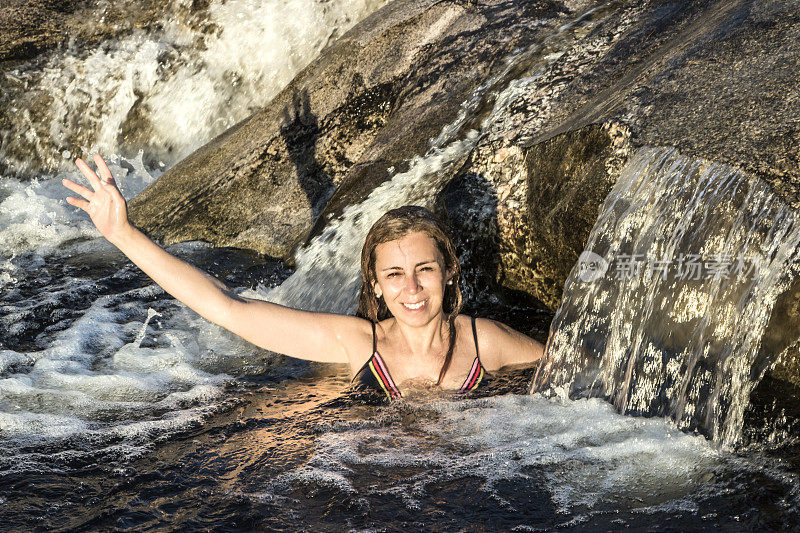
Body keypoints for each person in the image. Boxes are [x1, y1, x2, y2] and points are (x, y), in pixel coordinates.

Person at [62, 155, 545, 401]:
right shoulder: (357, 344)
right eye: (394, 274)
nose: (412, 289)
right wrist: (123, 235)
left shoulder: (484, 342)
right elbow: (231, 309)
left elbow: (573, 372)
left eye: (424, 270)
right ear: (374, 284)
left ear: (448, 271)